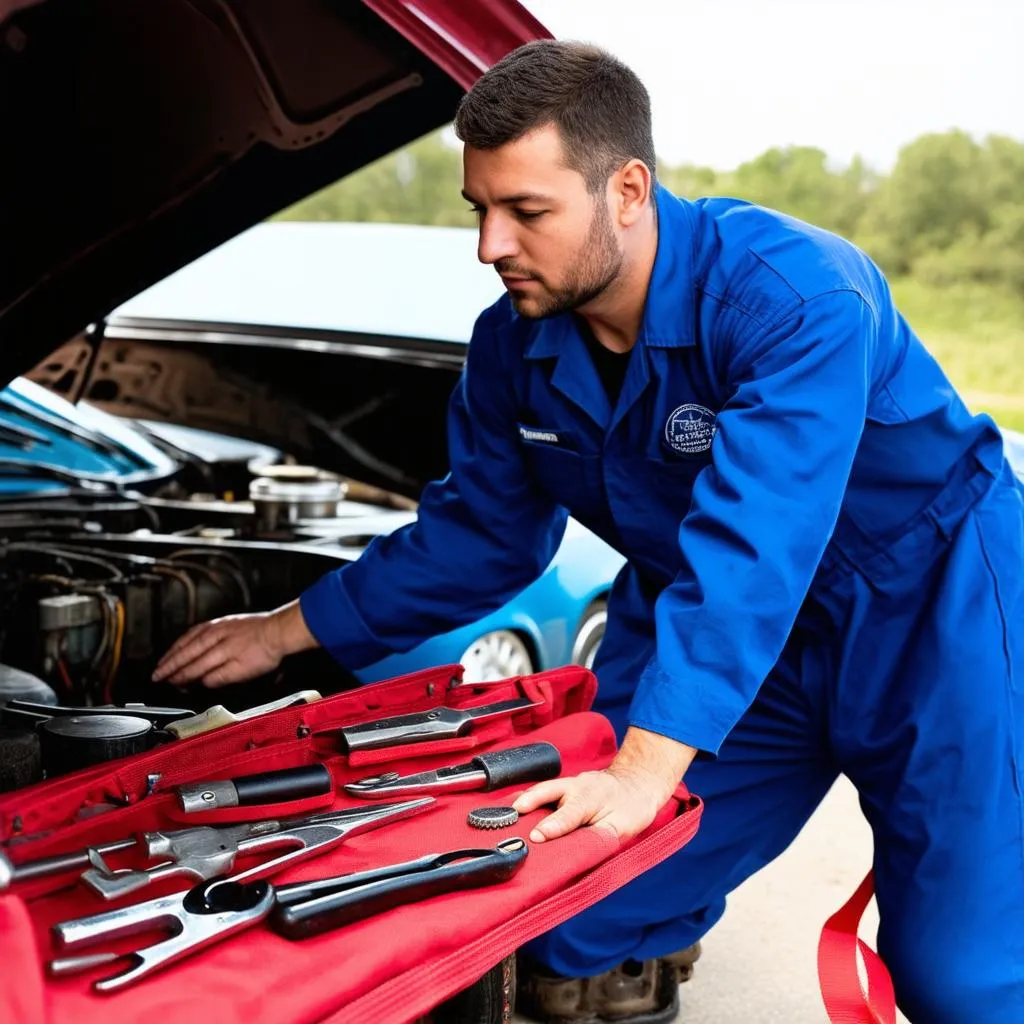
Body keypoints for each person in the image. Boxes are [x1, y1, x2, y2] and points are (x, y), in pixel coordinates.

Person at [152, 40, 1024, 1024]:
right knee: (566, 905)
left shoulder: (794, 297)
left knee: (961, 975)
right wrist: (284, 629)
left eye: (526, 211)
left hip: (930, 607)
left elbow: (757, 543)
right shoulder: (512, 346)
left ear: (627, 190)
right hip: (724, 628)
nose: (491, 244)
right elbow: (477, 537)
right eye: (478, 209)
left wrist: (646, 768)